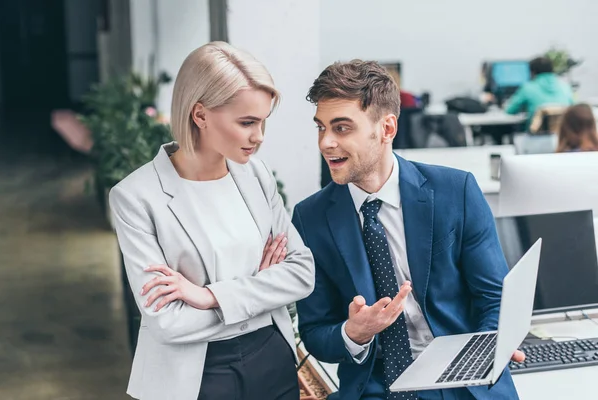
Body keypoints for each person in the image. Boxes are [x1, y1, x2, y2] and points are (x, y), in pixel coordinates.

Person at [292, 60, 524, 400]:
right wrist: (353, 334)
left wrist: (485, 354)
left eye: (341, 128)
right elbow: (314, 332)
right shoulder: (310, 217)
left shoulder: (455, 191)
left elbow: (496, 297)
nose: (325, 142)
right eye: (320, 128)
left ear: (387, 129)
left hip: (461, 382)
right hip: (375, 388)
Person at [109, 41, 315, 400]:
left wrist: (208, 296)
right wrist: (261, 290)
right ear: (200, 114)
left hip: (272, 357)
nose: (259, 137)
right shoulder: (135, 197)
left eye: (263, 121)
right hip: (195, 376)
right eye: (247, 122)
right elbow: (167, 322)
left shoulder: (256, 175)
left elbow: (302, 273)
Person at [505, 56, 574, 130]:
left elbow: (510, 110)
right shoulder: (565, 86)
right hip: (562, 137)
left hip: (536, 138)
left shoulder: (528, 88)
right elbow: (574, 109)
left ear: (532, 72)